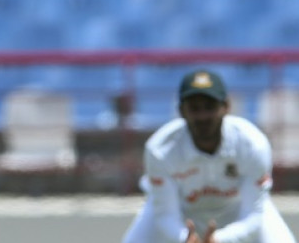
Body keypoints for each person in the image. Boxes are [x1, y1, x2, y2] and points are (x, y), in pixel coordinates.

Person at [122, 70, 297, 243]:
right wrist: (184, 238)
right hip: (181, 215)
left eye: (210, 106)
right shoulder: (160, 149)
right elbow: (166, 214)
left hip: (237, 212)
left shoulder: (252, 145)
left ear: (226, 107)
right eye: (194, 108)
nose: (203, 116)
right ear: (181, 110)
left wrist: (220, 239)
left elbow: (253, 215)